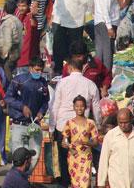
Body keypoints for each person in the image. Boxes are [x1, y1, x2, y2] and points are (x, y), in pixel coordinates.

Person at [51, 57, 102, 187]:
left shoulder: (62, 83)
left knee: (64, 161)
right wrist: (99, 126)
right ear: (83, 68)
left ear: (69, 68)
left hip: (62, 126)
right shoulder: (90, 84)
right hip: (83, 129)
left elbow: (55, 105)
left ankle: (65, 184)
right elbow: (96, 108)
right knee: (83, 160)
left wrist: (52, 127)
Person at [5, 57, 49, 169]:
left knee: (35, 155)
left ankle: (26, 178)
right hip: (18, 124)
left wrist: (41, 112)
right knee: (18, 156)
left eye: (41, 70)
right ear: (30, 68)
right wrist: (22, 107)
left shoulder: (43, 83)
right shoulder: (19, 80)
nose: (39, 72)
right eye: (36, 70)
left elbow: (45, 102)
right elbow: (8, 98)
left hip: (34, 126)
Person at [97, 108, 134, 188]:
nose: (123, 125)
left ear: (131, 120)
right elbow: (103, 161)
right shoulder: (111, 136)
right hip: (116, 183)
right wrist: (101, 183)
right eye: (120, 123)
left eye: (126, 122)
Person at [51, 0, 88, 74]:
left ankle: (75, 68)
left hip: (75, 20)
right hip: (60, 18)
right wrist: (53, 14)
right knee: (58, 45)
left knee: (75, 46)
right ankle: (58, 69)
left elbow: (84, 0)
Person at [94, 0, 133, 71]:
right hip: (106, 23)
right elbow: (105, 8)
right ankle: (106, 74)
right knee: (107, 51)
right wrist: (109, 27)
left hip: (99, 21)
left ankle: (98, 72)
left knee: (100, 49)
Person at [61, 95, 99, 188]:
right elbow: (64, 139)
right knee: (75, 183)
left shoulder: (91, 123)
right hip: (73, 156)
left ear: (85, 107)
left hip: (86, 156)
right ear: (73, 107)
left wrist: (85, 142)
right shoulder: (69, 123)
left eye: (82, 106)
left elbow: (95, 142)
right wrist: (65, 144)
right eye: (77, 106)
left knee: (85, 183)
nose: (79, 108)